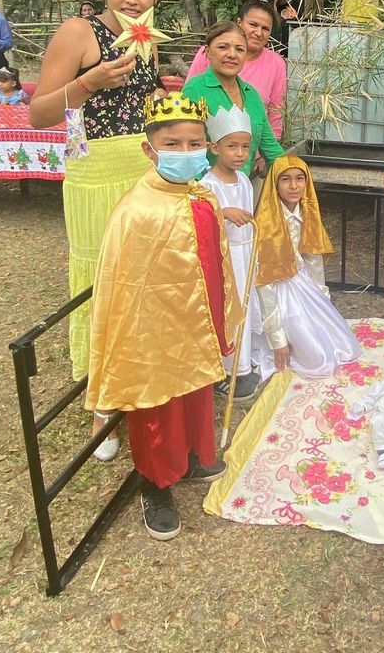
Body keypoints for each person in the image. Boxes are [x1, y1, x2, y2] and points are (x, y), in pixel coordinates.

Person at [30, 0, 170, 456]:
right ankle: (101, 405)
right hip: (94, 170)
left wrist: (162, 107)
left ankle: (141, 381)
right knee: (100, 281)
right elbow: (39, 113)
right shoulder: (78, 31)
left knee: (142, 277)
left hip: (143, 168)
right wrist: (89, 82)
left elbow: (143, 101)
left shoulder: (146, 39)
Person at [85, 91, 239, 540]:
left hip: (195, 324)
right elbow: (123, 288)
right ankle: (154, 483)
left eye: (194, 143)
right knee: (157, 408)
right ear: (149, 149)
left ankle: (189, 457)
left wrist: (218, 321)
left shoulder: (202, 197)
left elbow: (214, 265)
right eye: (172, 144)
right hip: (152, 334)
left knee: (193, 391)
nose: (185, 152)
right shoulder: (136, 211)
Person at [254, 155, 361, 378]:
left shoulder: (307, 212)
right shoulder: (267, 222)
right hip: (278, 291)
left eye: (299, 179)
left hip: (303, 282)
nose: (294, 186)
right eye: (286, 179)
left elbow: (314, 261)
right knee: (319, 361)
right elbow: (264, 283)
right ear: (275, 184)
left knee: (345, 347)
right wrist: (277, 339)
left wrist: (323, 302)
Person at [200, 105, 263, 403]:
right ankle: (228, 370)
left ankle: (243, 363)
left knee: (247, 308)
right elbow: (201, 221)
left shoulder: (244, 181)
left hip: (245, 253)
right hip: (226, 259)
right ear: (214, 148)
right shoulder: (206, 185)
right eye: (232, 146)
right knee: (230, 312)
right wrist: (223, 212)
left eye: (245, 147)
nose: (240, 153)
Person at [182, 21, 285, 180]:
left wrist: (291, 173)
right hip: (204, 188)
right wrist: (200, 190)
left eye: (239, 49)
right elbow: (186, 150)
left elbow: (271, 150)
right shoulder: (194, 90)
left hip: (242, 186)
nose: (232, 54)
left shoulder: (252, 95)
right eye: (223, 47)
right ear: (208, 52)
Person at [186, 0, 287, 141]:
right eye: (253, 24)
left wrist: (271, 147)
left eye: (265, 28)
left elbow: (276, 110)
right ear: (239, 22)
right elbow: (189, 98)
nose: (258, 33)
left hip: (253, 146)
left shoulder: (276, 64)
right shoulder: (208, 54)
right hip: (208, 145)